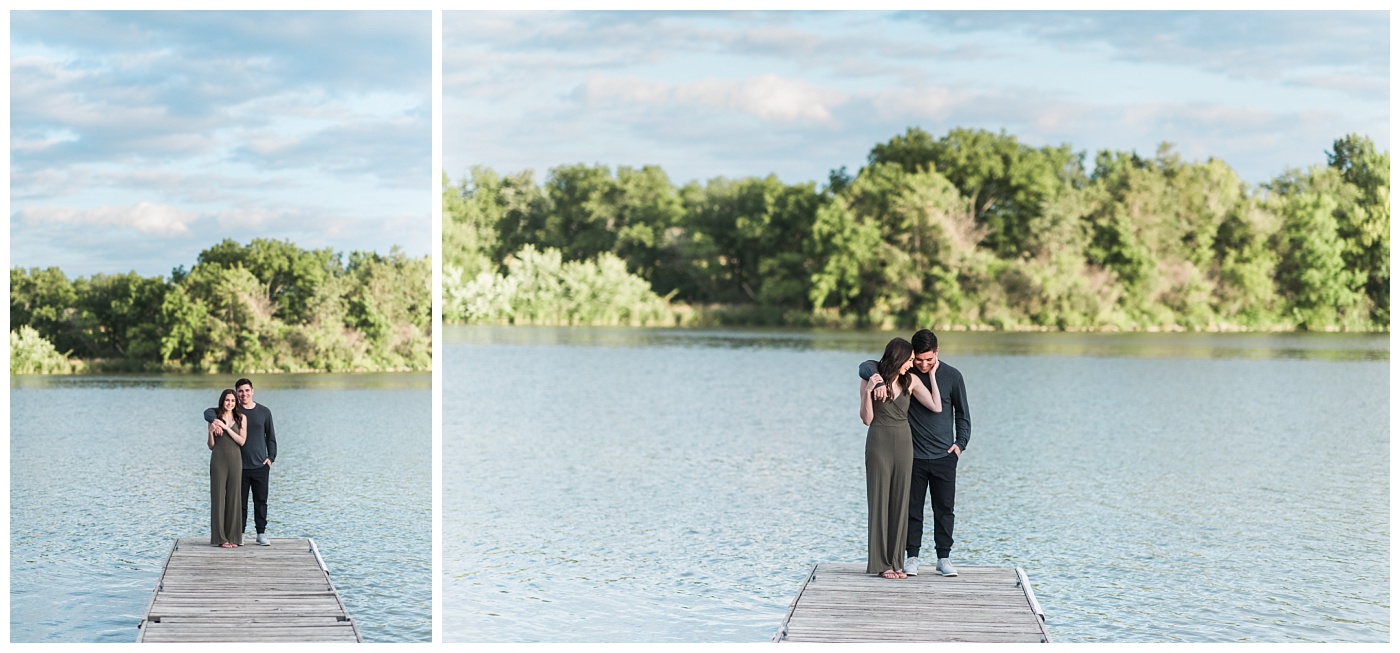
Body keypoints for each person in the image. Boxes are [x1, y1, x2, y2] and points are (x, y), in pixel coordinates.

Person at [861, 329, 970, 577]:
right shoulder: (900, 374)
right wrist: (873, 381)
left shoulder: (950, 376)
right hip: (911, 453)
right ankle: (909, 558)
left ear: (937, 353)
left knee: (944, 508)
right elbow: (866, 365)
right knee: (908, 509)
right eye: (916, 359)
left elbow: (958, 412)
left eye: (927, 360)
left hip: (942, 454)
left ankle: (943, 558)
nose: (921, 364)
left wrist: (960, 445)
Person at [206, 378, 276, 546]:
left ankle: (260, 533)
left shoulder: (263, 412)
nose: (244, 394)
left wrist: (271, 458)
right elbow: (207, 413)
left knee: (261, 501)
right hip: (240, 465)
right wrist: (213, 422)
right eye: (240, 391)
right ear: (237, 394)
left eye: (247, 390)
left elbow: (271, 437)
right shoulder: (229, 412)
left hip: (260, 464)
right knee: (239, 502)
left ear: (252, 391)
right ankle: (240, 534)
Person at [208, 389, 246, 548]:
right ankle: (220, 538)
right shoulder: (215, 419)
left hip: (236, 460)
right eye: (227, 400)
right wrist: (211, 431)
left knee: (234, 498)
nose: (229, 403)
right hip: (218, 459)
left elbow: (242, 441)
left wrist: (227, 428)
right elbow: (211, 446)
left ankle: (233, 537)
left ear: (235, 402)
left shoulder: (242, 418)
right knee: (218, 498)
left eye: (232, 400)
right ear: (222, 401)